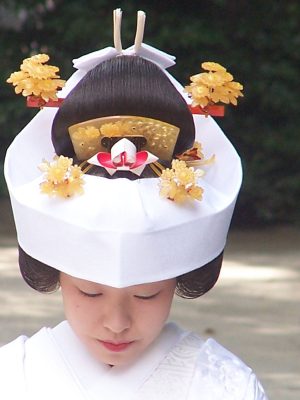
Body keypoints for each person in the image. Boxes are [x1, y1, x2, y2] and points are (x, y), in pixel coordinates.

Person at [1, 9, 268, 400]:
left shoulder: (223, 385)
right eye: (90, 292)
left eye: (148, 295)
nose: (117, 323)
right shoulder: (11, 376)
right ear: (56, 273)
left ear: (178, 277)